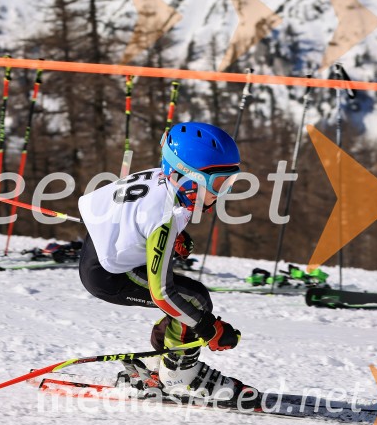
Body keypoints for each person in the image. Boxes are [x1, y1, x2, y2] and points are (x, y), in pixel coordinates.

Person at [77, 122, 258, 407]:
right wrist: (209, 327)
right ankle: (180, 377)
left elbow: (129, 209)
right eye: (219, 183)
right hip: (109, 275)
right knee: (192, 300)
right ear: (188, 178)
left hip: (100, 248)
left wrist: (172, 235)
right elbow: (162, 293)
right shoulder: (166, 215)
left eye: (230, 182)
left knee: (187, 303)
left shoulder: (163, 179)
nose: (223, 193)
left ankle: (170, 359)